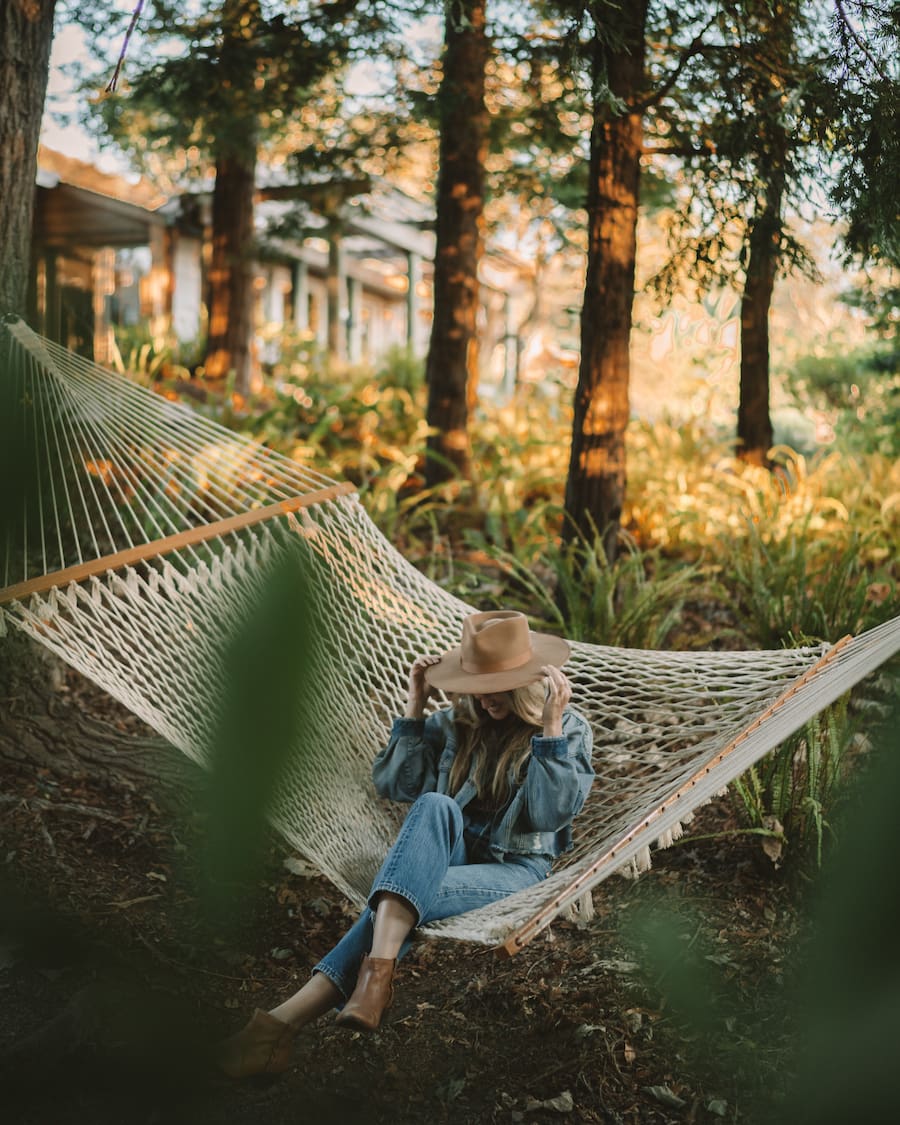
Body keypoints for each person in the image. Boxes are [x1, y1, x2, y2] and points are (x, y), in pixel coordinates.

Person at [217, 609, 594, 1079]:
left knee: (396, 898)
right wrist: (415, 706)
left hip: (513, 869)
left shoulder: (568, 728)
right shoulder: (457, 722)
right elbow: (393, 783)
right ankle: (363, 985)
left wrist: (550, 729)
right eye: (480, 687)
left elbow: (549, 813)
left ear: (527, 683)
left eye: (502, 686)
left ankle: (280, 1024)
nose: (489, 699)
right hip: (447, 854)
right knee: (436, 804)